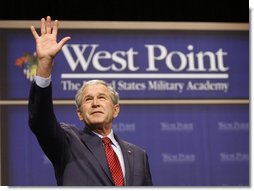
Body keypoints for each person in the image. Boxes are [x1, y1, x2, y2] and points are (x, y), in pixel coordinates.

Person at [28, 16, 153, 186]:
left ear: (116, 109)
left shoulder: (138, 155)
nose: (95, 103)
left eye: (102, 97)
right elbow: (40, 120)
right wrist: (44, 64)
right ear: (79, 114)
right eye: (88, 99)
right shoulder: (67, 142)